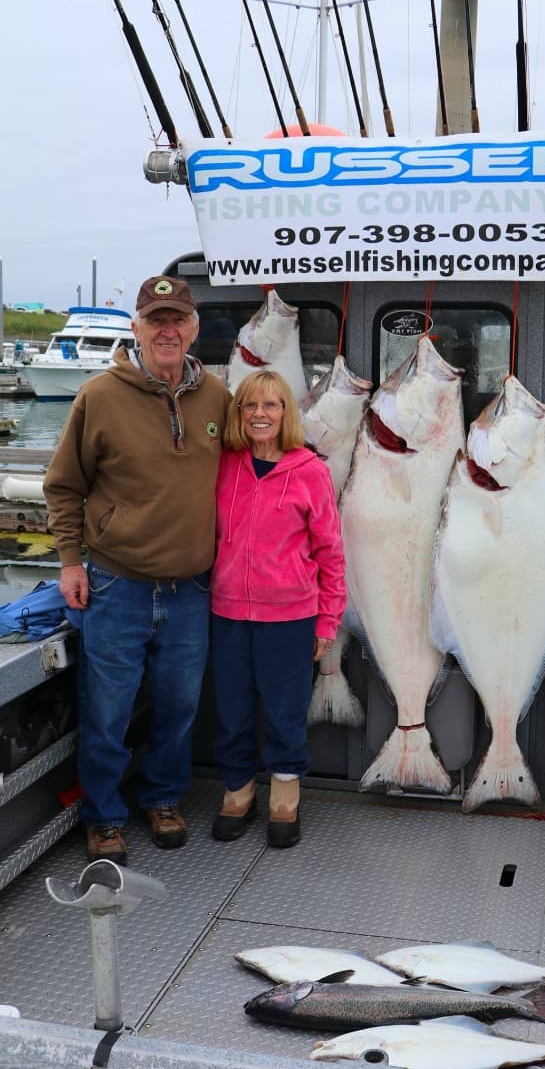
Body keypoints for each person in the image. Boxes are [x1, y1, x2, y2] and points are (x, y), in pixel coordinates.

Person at [43, 276, 230, 865]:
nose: (168, 331)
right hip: (115, 583)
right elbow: (63, 485)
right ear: (137, 328)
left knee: (178, 707)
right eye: (156, 320)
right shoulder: (99, 396)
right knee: (108, 709)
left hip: (191, 589)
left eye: (178, 320)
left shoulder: (218, 398)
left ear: (195, 329)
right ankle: (103, 816)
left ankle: (164, 799)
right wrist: (70, 562)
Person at [209, 369, 346, 848]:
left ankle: (285, 794)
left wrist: (327, 620)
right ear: (239, 414)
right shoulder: (225, 465)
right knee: (232, 710)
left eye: (270, 405)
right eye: (250, 406)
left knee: (286, 713)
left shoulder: (310, 471)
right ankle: (238, 789)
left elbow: (331, 552)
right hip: (227, 613)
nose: (260, 415)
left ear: (286, 412)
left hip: (290, 618)